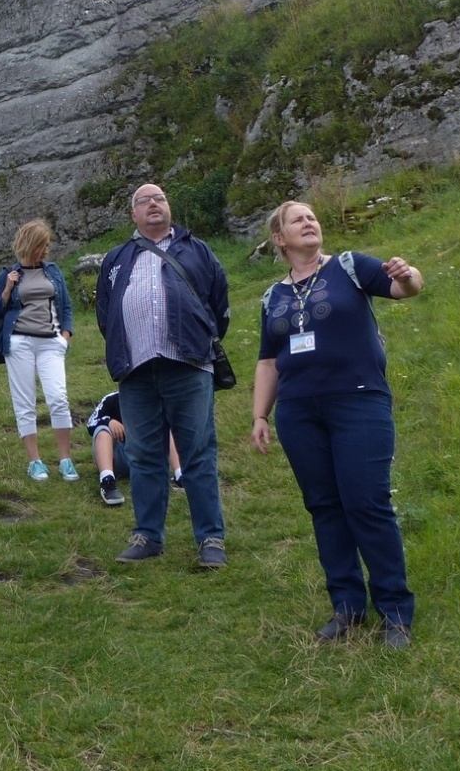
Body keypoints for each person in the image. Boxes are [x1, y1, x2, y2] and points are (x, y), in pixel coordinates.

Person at [250, 200, 424, 649]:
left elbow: (407, 289)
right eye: (297, 220)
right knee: (325, 507)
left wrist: (407, 275)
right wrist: (259, 415)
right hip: (299, 412)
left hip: (359, 402)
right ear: (280, 239)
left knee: (367, 503)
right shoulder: (274, 296)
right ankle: (346, 606)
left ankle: (395, 612)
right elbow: (269, 360)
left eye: (312, 216)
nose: (309, 222)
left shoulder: (350, 267)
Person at [95, 183, 229, 568]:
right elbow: (107, 314)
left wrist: (199, 339)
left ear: (169, 208)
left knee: (198, 453)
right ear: (133, 215)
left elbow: (218, 302)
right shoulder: (117, 258)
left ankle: (211, 540)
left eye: (160, 198)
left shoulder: (196, 249)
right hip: (135, 371)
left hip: (187, 365)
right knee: (143, 456)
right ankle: (148, 536)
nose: (154, 204)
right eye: (144, 200)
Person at [0, 220, 77, 483]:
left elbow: (67, 308)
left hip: (51, 342)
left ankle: (65, 459)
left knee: (58, 397)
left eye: (48, 246)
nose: (46, 251)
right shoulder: (9, 274)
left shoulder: (54, 272)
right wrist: (7, 290)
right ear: (30, 245)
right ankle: (35, 462)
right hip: (19, 343)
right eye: (42, 246)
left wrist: (65, 337)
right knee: (24, 402)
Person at [85, 392, 182, 508]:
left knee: (164, 425)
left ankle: (180, 476)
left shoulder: (152, 400)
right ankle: (107, 481)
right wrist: (109, 422)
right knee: (102, 430)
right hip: (117, 458)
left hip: (144, 459)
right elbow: (91, 422)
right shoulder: (111, 399)